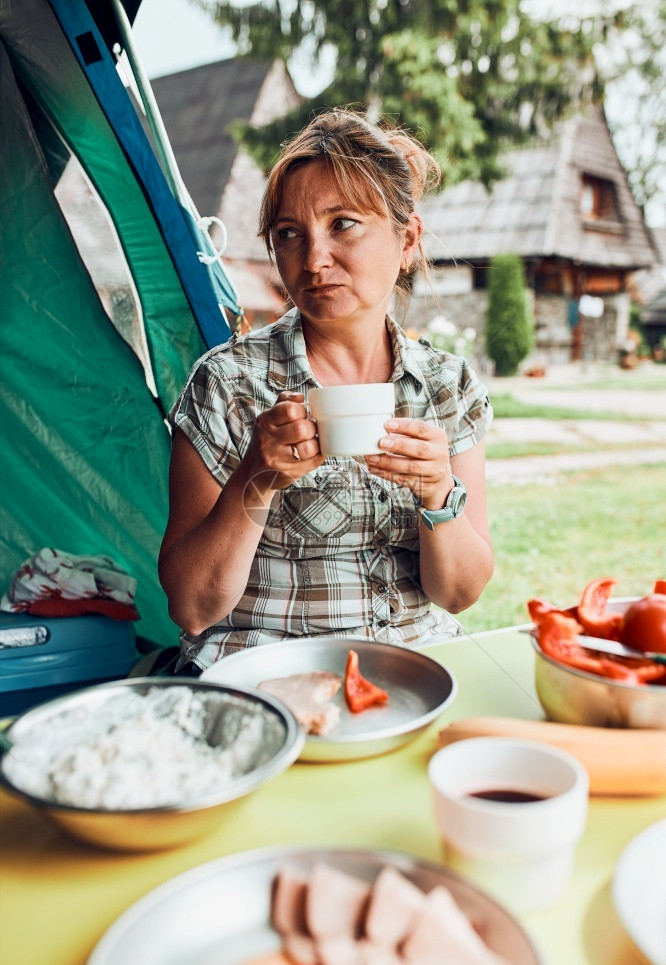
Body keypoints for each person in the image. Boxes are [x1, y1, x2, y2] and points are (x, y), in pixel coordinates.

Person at [159, 108, 494, 673]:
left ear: (407, 238)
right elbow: (192, 608)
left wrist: (439, 495)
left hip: (413, 669)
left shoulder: (447, 386)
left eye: (343, 224)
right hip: (266, 673)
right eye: (290, 234)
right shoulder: (226, 382)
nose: (313, 260)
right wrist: (256, 477)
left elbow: (458, 595)